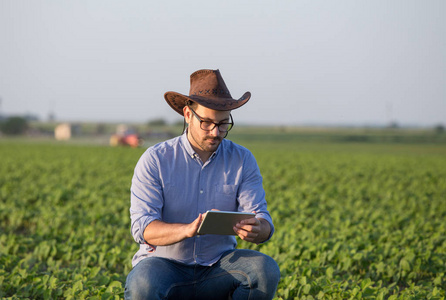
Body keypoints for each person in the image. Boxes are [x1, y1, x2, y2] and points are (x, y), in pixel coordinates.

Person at [125, 69, 280, 300]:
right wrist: (187, 230)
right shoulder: (156, 159)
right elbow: (143, 228)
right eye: (206, 123)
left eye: (223, 123)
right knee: (143, 282)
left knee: (263, 269)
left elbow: (262, 218)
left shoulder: (242, 159)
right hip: (164, 267)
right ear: (188, 114)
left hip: (218, 268)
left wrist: (259, 229)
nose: (216, 132)